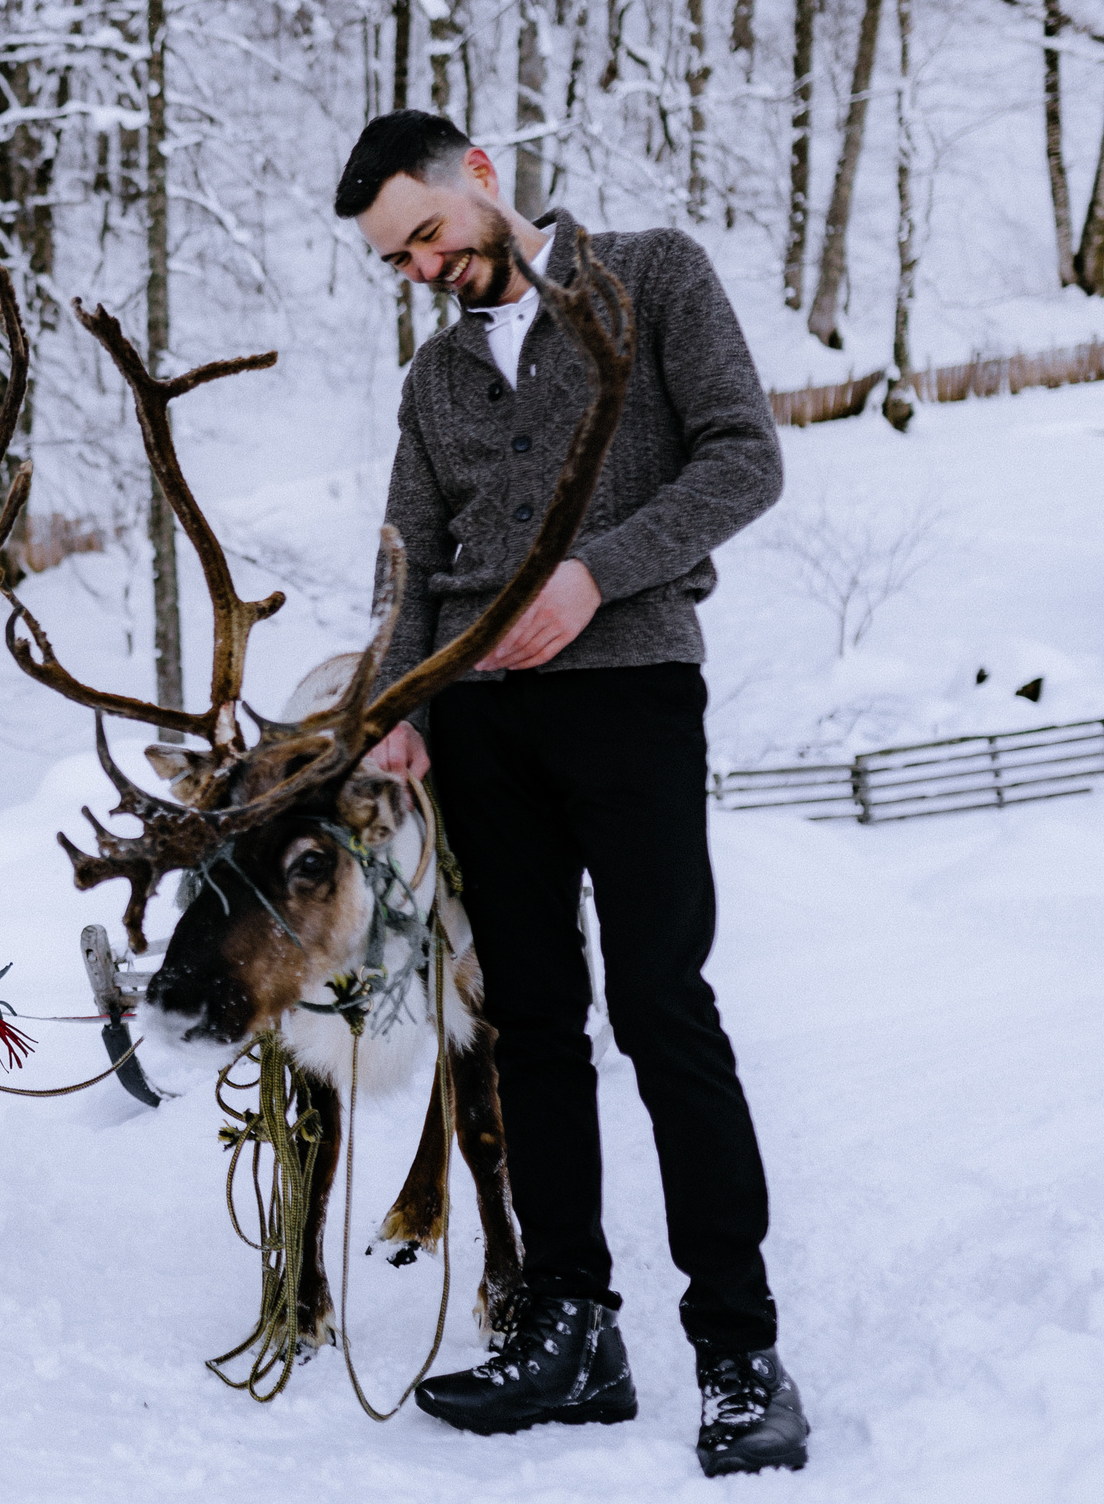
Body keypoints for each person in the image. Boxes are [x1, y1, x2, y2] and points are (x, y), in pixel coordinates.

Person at [334, 111, 807, 1477]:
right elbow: (404, 562)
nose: (421, 266)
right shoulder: (433, 382)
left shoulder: (651, 280)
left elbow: (743, 456)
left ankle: (738, 1347)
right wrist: (398, 705)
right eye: (395, 259)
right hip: (482, 726)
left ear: (481, 176)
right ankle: (574, 1329)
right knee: (533, 1020)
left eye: (426, 233)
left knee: (664, 1003)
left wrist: (598, 571)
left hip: (633, 688)